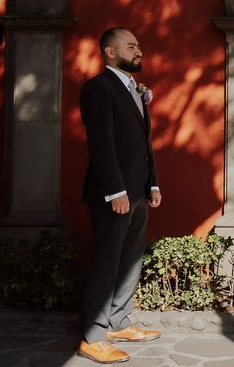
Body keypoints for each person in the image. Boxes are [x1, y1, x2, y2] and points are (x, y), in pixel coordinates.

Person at [78, 27, 163, 364]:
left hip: (139, 191)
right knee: (107, 260)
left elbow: (143, 144)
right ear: (110, 52)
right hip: (114, 193)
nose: (139, 50)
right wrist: (115, 190)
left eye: (139, 45)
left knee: (130, 259)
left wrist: (152, 184)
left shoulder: (135, 90)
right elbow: (100, 143)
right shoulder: (98, 88)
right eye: (131, 46)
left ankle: (118, 322)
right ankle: (94, 336)